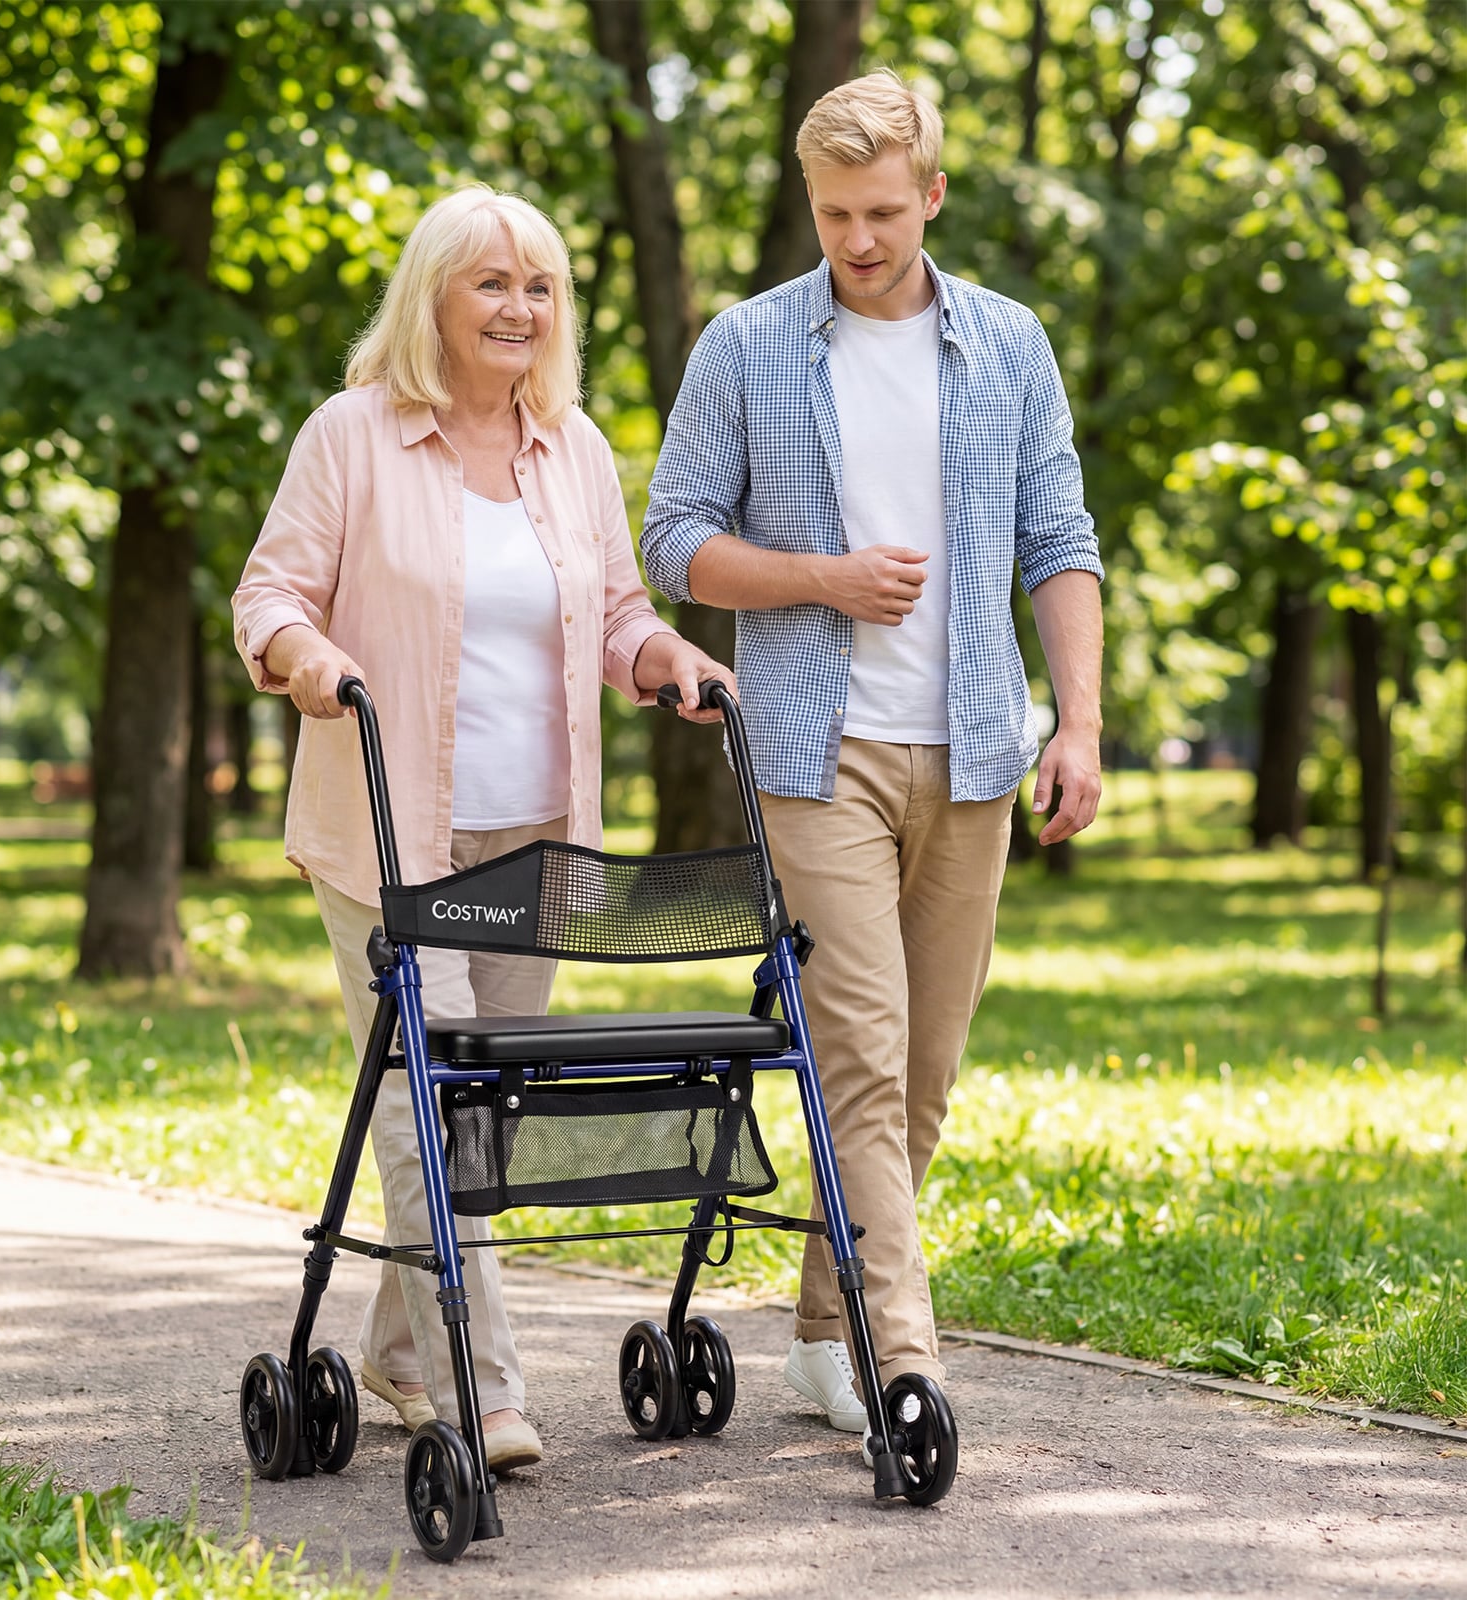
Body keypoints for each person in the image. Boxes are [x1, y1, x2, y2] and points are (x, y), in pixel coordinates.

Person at [233, 185, 731, 1472]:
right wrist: (305, 656)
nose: (518, 307)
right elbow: (269, 590)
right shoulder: (352, 435)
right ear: (434, 300)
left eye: (540, 286)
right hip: (389, 834)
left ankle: (400, 1350)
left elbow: (616, 611)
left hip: (535, 837)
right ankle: (482, 1388)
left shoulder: (572, 450)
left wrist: (665, 651)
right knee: (428, 1093)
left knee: (484, 1109)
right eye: (491, 284)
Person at [641, 71, 1104, 1447]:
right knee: (860, 1054)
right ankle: (910, 1365)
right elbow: (673, 539)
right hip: (813, 750)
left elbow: (1059, 540)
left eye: (884, 211)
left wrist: (1078, 724)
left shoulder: (1008, 344)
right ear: (811, 204)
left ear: (934, 195)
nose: (858, 238)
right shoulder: (748, 345)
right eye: (835, 213)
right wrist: (819, 580)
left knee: (920, 1083)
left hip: (970, 753)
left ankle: (822, 1338)